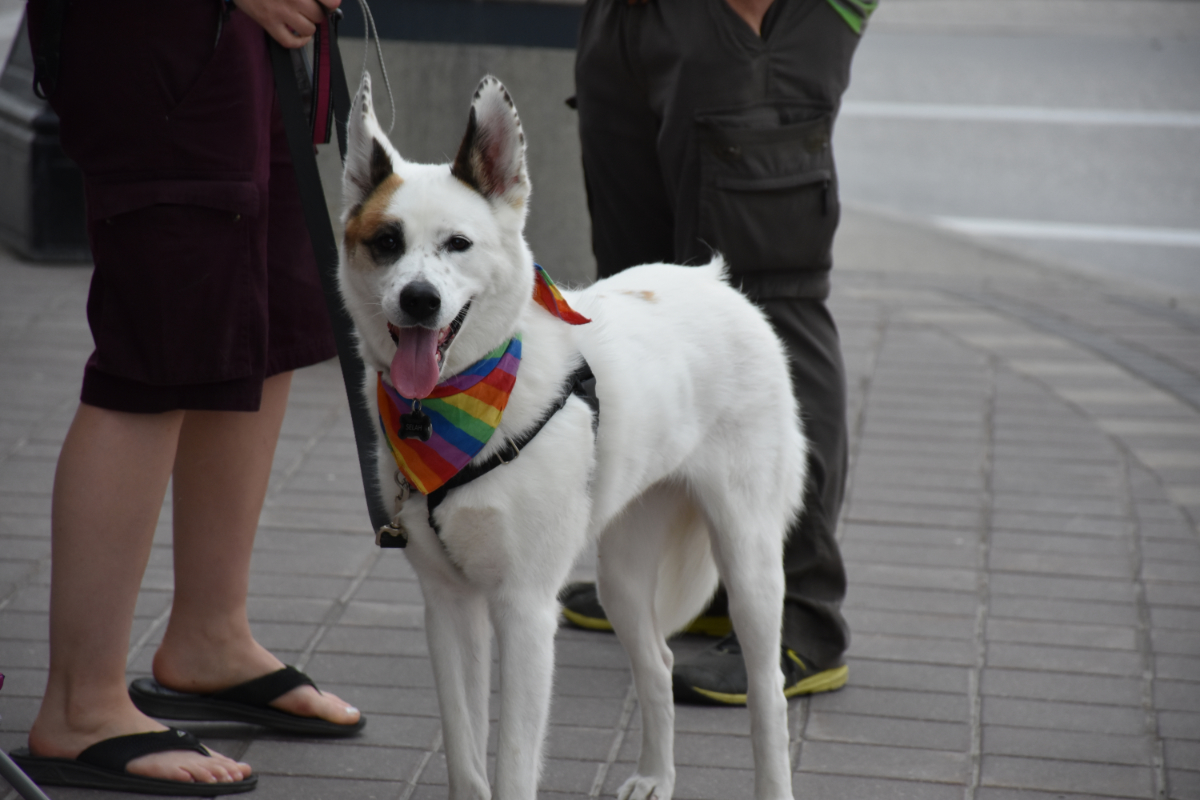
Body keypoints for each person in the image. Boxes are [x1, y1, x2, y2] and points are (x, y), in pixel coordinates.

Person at [10, 0, 364, 793]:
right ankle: (81, 704)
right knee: (158, 349)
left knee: (264, 318)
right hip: (157, 28)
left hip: (244, 38)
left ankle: (210, 634)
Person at [561, 0, 873, 703]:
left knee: (766, 301)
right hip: (629, 19)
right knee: (648, 300)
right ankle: (696, 584)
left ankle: (797, 614)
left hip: (751, 20)